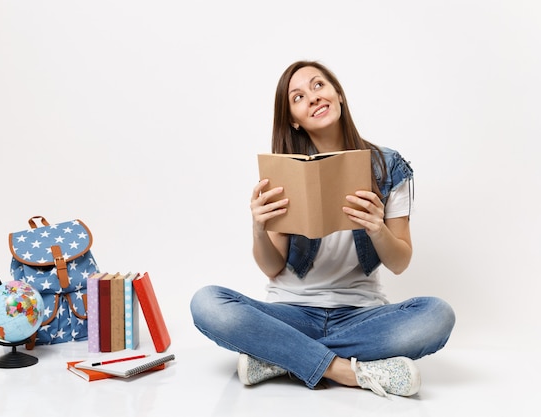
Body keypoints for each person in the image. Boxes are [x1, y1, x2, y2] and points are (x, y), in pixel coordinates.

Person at [189, 60, 455, 398]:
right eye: (298, 97)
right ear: (293, 120)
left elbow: (400, 262)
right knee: (207, 303)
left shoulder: (388, 166)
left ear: (338, 95)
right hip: (290, 312)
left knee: (437, 315)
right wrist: (258, 228)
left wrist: (377, 229)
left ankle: (280, 358)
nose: (312, 98)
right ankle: (346, 370)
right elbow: (272, 266)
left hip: (361, 315)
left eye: (318, 86)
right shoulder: (283, 171)